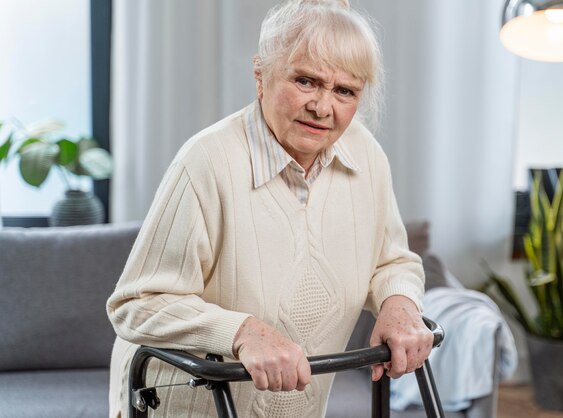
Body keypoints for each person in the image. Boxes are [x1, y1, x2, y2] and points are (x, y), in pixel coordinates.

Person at [106, 0, 433, 417]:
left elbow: (391, 261)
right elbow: (137, 301)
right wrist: (242, 332)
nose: (322, 107)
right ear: (261, 75)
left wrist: (400, 305)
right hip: (185, 407)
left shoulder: (365, 155)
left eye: (344, 91)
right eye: (306, 81)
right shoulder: (207, 161)